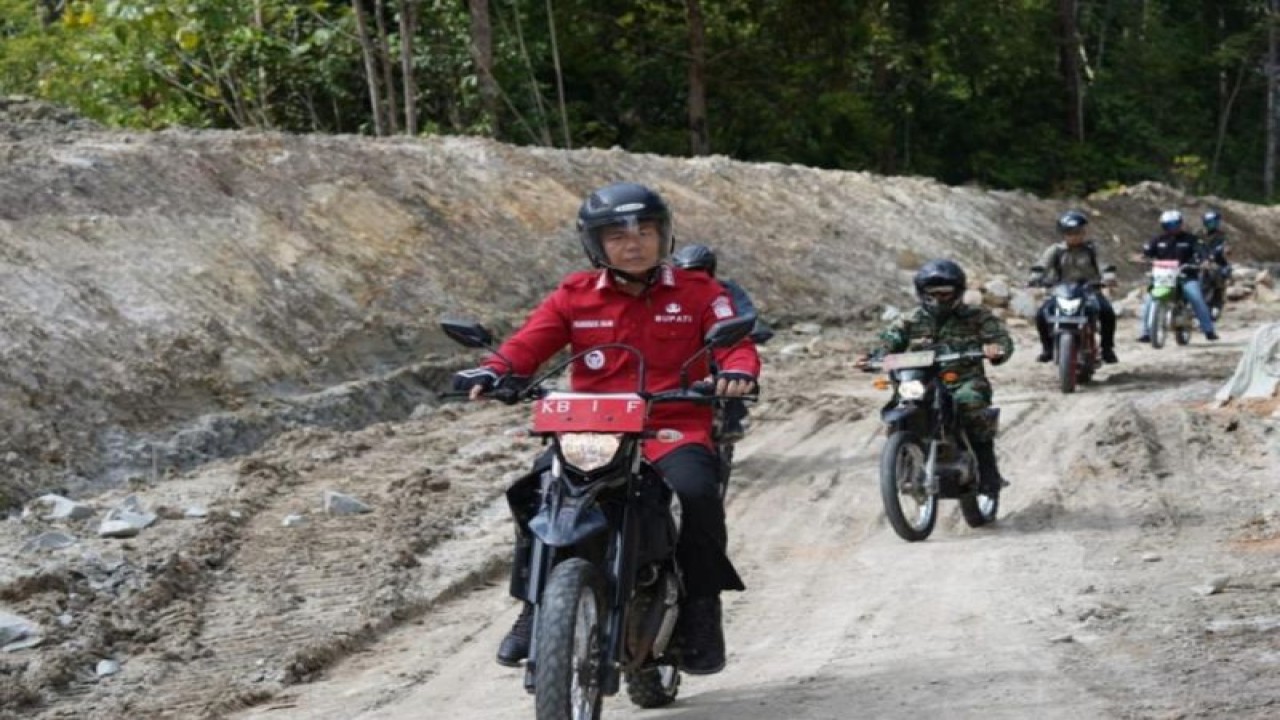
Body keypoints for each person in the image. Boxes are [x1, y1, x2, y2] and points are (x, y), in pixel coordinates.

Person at [451, 182, 760, 676]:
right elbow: (527, 345)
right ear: (595, 244)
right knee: (536, 491)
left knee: (697, 492)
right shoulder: (573, 295)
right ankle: (534, 609)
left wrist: (737, 372)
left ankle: (703, 609)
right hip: (591, 429)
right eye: (616, 235)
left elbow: (735, 346)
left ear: (665, 236)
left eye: (645, 231)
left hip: (670, 426)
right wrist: (493, 371)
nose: (632, 242)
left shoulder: (702, 292)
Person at [855, 259, 1013, 495]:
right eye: (933, 293)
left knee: (971, 405)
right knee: (903, 405)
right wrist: (872, 358)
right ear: (922, 293)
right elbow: (888, 341)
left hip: (963, 379)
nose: (939, 298)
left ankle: (988, 471)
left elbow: (1001, 340)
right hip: (919, 378)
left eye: (945, 293)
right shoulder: (910, 319)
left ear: (958, 293)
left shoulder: (976, 316)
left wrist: (995, 349)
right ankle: (902, 456)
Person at [671, 244, 773, 441]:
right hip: (685, 354)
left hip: (717, 349)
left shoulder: (725, 290)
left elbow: (745, 314)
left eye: (698, 271)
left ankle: (731, 421)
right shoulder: (666, 295)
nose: (694, 277)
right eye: (687, 272)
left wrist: (752, 330)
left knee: (731, 376)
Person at [1030, 210, 1119, 364]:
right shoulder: (1055, 250)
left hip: (1090, 291)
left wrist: (1108, 277)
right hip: (1061, 291)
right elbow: (1041, 265)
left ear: (1084, 232)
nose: (1075, 236)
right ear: (1063, 234)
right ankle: (1047, 349)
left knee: (1107, 312)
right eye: (1070, 232)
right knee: (1041, 315)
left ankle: (1107, 348)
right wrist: (1035, 278)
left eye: (1078, 232)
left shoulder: (1093, 249)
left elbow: (1105, 265)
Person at [1135, 210, 1218, 342]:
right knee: (1149, 300)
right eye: (1169, 225)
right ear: (1163, 226)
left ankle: (1208, 329)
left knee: (1196, 298)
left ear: (1181, 224)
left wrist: (1205, 261)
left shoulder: (1191, 239)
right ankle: (1145, 332)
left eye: (1175, 224)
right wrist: (1141, 258)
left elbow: (1202, 252)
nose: (1173, 228)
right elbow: (1147, 253)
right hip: (1163, 278)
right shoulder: (1157, 240)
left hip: (1185, 276)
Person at [1197, 210, 1232, 312]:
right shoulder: (1198, 234)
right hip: (1199, 261)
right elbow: (1194, 245)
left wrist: (1225, 250)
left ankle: (1216, 301)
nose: (1212, 225)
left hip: (1217, 262)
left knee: (1217, 274)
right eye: (1210, 222)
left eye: (1214, 222)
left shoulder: (1222, 236)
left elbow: (1226, 248)